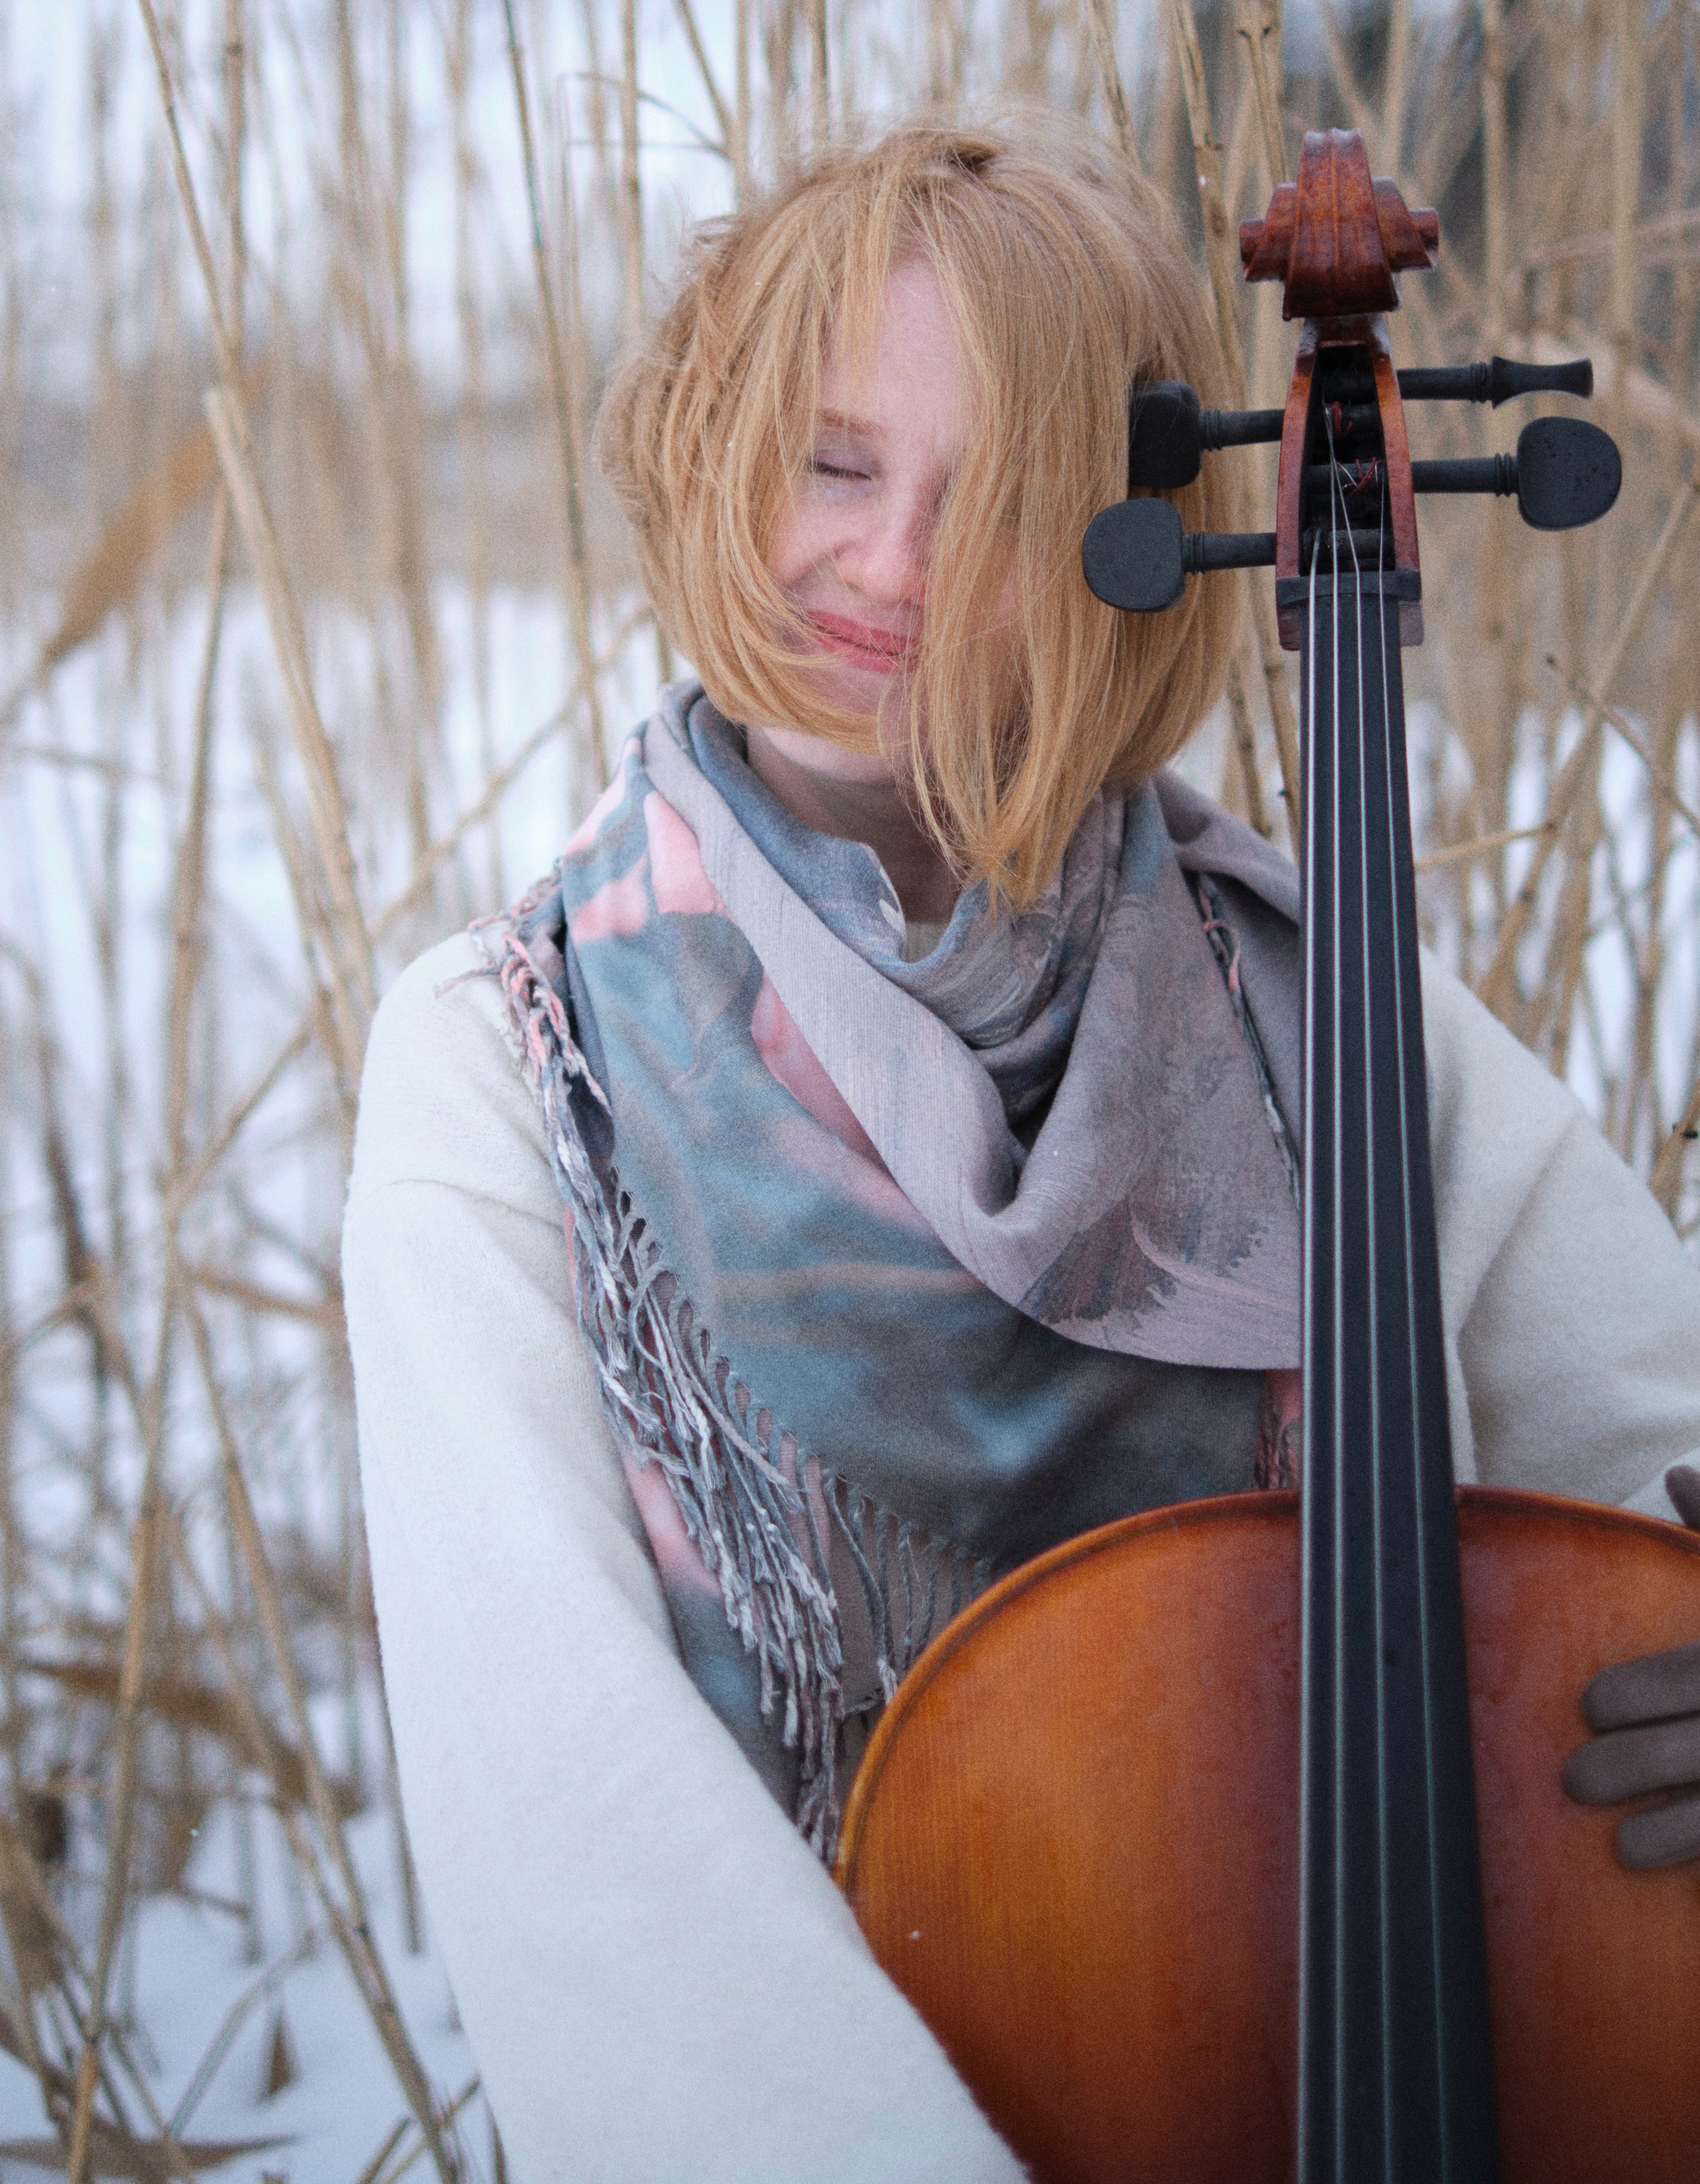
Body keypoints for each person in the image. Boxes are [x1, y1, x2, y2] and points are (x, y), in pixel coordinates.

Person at [343, 117, 1700, 2184]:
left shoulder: (1313, 999)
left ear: (1122, 544)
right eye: (832, 461)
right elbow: (577, 1828)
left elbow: (1652, 1429)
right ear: (707, 447)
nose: (884, 571)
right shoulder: (503, 1066)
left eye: (988, 508)